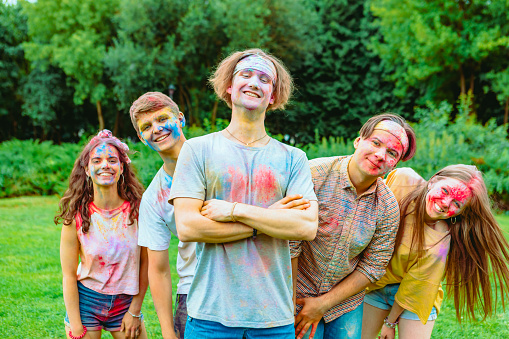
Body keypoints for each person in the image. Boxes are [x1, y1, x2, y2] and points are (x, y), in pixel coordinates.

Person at [168, 48, 319, 339]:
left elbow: (306, 226)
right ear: (229, 85)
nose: (253, 82)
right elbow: (187, 227)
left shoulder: (293, 158)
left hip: (274, 319)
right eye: (245, 74)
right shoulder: (197, 150)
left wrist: (235, 210)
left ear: (273, 96)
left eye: (265, 79)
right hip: (210, 316)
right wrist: (270, 220)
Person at [291, 114, 417, 339]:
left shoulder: (387, 207)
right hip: (296, 290)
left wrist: (323, 304)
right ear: (359, 140)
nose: (380, 155)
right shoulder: (313, 176)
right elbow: (289, 242)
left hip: (344, 301)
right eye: (376, 143)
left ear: (395, 164)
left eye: (391, 153)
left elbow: (373, 267)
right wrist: (289, 303)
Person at [361, 165, 509, 339]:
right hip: (376, 284)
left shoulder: (440, 240)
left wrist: (390, 323)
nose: (445, 203)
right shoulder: (403, 180)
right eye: (445, 190)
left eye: (457, 203)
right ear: (433, 181)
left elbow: (414, 287)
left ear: (461, 212)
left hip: (418, 295)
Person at [55, 130, 148, 339]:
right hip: (86, 301)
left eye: (112, 160)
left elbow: (146, 265)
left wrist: (134, 310)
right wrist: (76, 323)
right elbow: (69, 275)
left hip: (126, 302)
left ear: (122, 168)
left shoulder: (139, 212)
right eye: (97, 160)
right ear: (87, 169)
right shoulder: (75, 218)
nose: (105, 165)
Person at [129, 91, 196, 339]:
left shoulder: (216, 158)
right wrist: (168, 332)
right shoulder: (153, 198)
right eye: (146, 126)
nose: (156, 129)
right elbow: (158, 270)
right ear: (140, 137)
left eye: (162, 119)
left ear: (180, 119)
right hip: (193, 293)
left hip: (246, 280)